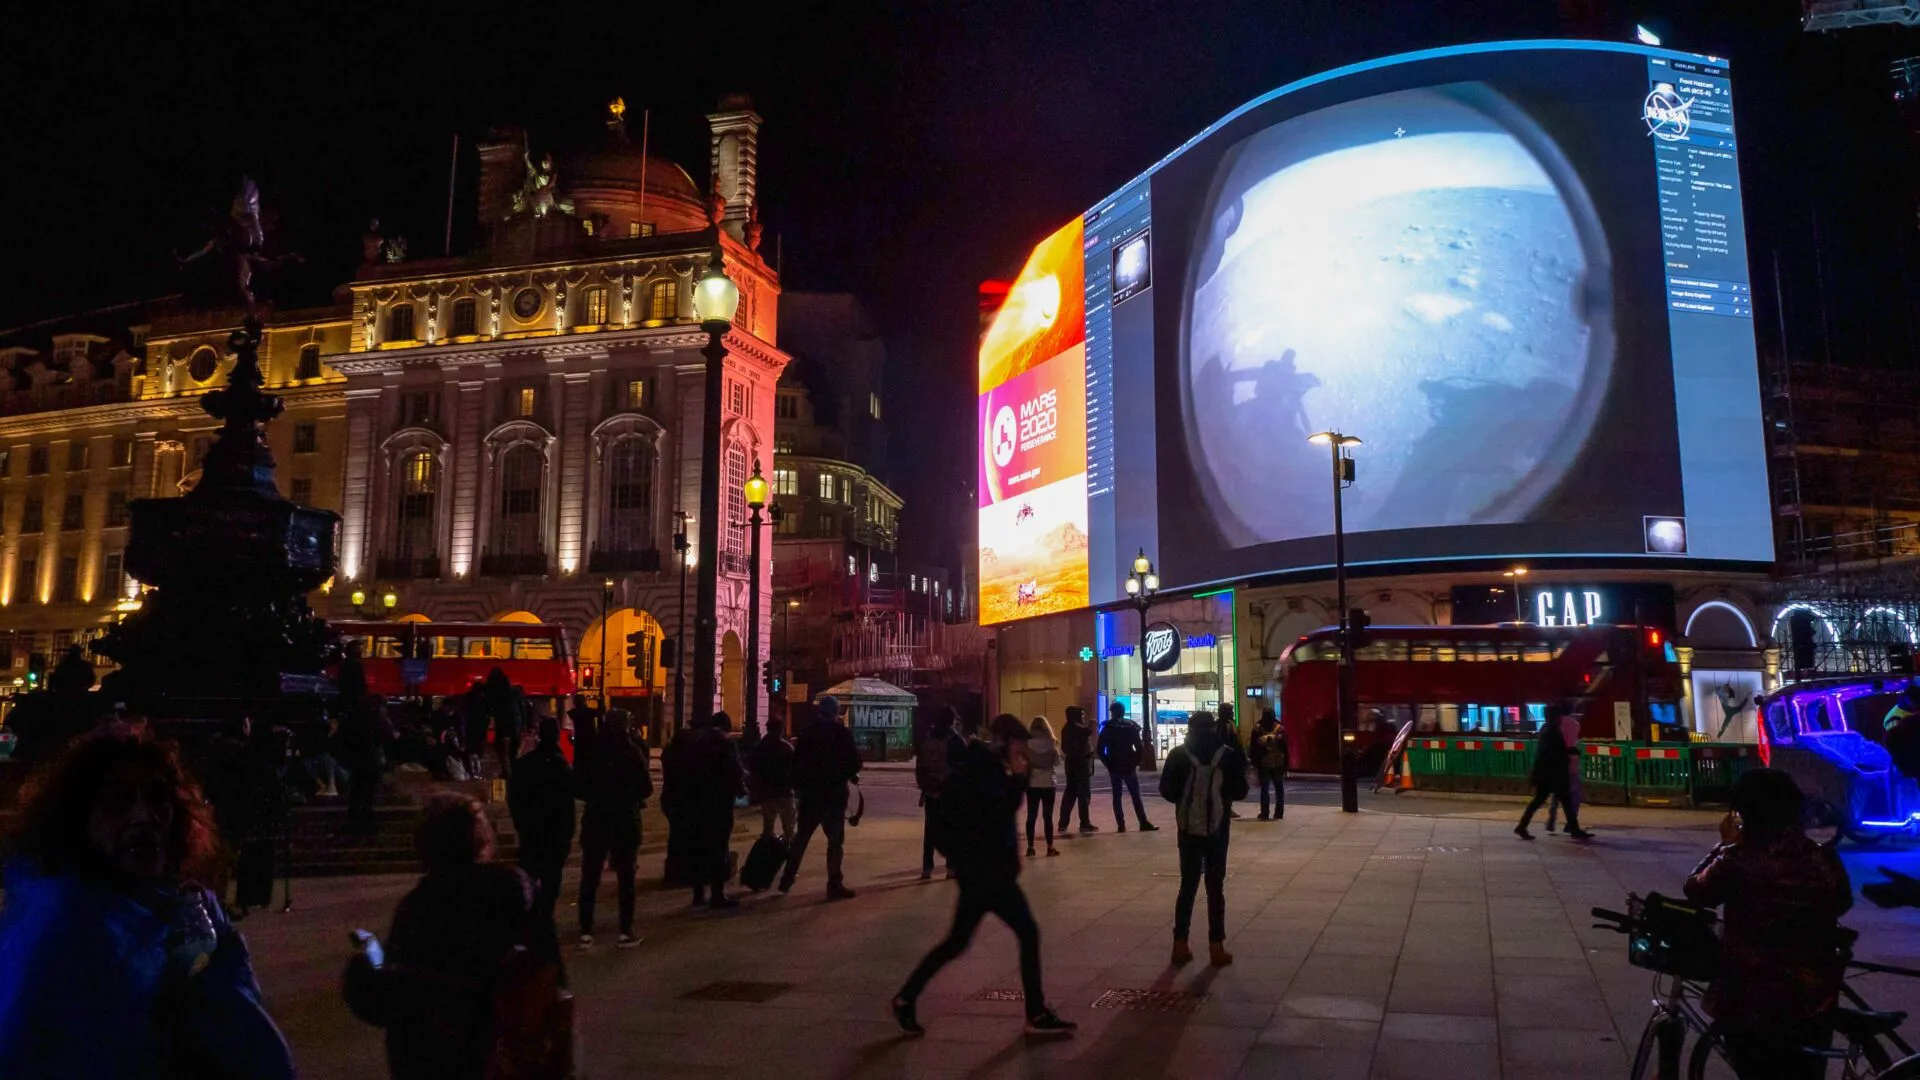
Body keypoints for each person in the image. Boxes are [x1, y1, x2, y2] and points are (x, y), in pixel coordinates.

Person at [0, 730, 295, 1079]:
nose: (144, 815)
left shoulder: (173, 910)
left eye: (158, 798)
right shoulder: (66, 931)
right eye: (117, 800)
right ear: (77, 817)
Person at [344, 793, 555, 1080]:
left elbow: (401, 994)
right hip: (509, 1042)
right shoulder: (512, 887)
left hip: (438, 1052)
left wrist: (368, 975)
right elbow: (546, 965)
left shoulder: (419, 906)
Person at [894, 715, 1077, 1038]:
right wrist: (1019, 780)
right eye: (1018, 749)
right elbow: (997, 812)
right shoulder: (981, 770)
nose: (1020, 756)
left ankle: (906, 997)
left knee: (957, 942)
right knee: (1028, 933)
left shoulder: (985, 766)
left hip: (980, 871)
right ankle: (1035, 1013)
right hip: (987, 872)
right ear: (1004, 743)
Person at [1684, 769, 1853, 1080]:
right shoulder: (1822, 858)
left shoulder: (1737, 859)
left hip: (1751, 1000)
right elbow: (1842, 902)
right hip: (1813, 997)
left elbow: (1695, 890)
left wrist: (1724, 845)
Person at [1159, 711, 1249, 966]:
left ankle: (1180, 944)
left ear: (1190, 729)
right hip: (1218, 829)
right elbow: (1240, 791)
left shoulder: (1178, 755)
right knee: (1215, 887)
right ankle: (1216, 947)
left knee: (1187, 886)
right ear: (1212, 728)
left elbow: (1166, 790)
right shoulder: (1226, 755)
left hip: (1187, 829)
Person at [576, 709, 652, 947]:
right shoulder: (631, 751)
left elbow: (578, 786)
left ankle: (586, 932)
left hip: (597, 817)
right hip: (625, 818)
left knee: (590, 876)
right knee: (626, 877)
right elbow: (646, 788)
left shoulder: (592, 751)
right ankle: (625, 930)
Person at [781, 695, 862, 899]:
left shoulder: (808, 732)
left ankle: (787, 878)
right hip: (833, 795)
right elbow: (854, 762)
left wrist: (800, 786)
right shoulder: (840, 733)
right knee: (835, 842)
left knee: (801, 838)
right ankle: (834, 884)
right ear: (836, 712)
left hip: (810, 795)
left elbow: (796, 763)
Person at [667, 711, 745, 909]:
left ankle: (698, 893)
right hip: (719, 802)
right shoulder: (726, 743)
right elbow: (734, 771)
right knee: (718, 848)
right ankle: (717, 893)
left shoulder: (695, 743)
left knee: (699, 847)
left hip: (696, 801)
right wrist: (741, 790)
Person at [507, 716, 576, 923]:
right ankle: (543, 920)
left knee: (529, 878)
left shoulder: (526, 764)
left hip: (531, 831)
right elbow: (567, 805)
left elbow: (514, 797)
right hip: (554, 834)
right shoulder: (561, 765)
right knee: (550, 883)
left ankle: (526, 920)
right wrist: (567, 834)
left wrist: (520, 823)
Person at [1514, 704, 1590, 840]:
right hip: (1552, 774)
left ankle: (1523, 826)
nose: (1561, 719)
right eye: (1559, 716)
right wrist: (1569, 751)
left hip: (1549, 774)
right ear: (1555, 717)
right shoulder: (1551, 732)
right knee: (1559, 801)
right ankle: (1573, 830)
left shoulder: (1547, 729)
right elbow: (1550, 753)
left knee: (1546, 802)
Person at [916, 707, 968, 879]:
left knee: (930, 830)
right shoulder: (956, 740)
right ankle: (951, 867)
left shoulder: (928, 737)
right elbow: (963, 769)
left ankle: (926, 868)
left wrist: (925, 786)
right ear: (953, 720)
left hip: (931, 791)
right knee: (952, 829)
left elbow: (920, 765)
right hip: (950, 792)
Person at [1096, 702, 1157, 832]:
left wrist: (1108, 764)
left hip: (1114, 763)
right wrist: (1135, 762)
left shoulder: (1108, 727)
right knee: (1135, 795)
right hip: (1128, 763)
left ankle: (1121, 824)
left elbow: (1100, 749)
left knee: (1117, 795)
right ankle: (1143, 822)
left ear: (1112, 712)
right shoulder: (1130, 726)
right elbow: (1139, 748)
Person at [750, 715, 797, 844]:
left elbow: (755, 769)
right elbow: (794, 769)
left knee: (768, 829)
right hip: (784, 792)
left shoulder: (760, 747)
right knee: (789, 828)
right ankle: (788, 853)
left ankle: (767, 853)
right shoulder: (786, 748)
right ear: (781, 729)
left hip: (767, 792)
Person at [1055, 705, 1098, 834]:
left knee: (1071, 793)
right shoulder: (1075, 728)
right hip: (1079, 764)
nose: (1083, 716)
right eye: (1081, 714)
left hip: (1072, 764)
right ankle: (1084, 822)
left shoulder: (1067, 728)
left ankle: (1063, 822)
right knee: (1082, 794)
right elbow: (1087, 731)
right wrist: (1091, 724)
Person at [1025, 716, 1060, 857]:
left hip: (1032, 783)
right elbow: (1057, 762)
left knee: (1031, 816)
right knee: (1048, 816)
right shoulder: (1052, 742)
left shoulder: (1027, 743)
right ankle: (1050, 847)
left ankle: (1030, 847)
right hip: (1048, 783)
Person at [483, 668, 524, 778]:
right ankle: (515, 771)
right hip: (516, 725)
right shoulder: (515, 691)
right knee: (513, 752)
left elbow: (489, 707)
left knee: (501, 748)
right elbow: (522, 709)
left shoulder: (493, 691)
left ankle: (506, 770)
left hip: (503, 725)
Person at [1249, 708, 1288, 820]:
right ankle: (1279, 813)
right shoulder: (1280, 728)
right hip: (1278, 763)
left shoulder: (1257, 729)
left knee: (1264, 789)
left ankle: (1264, 813)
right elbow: (1285, 748)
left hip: (1264, 763)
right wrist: (1286, 763)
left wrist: (1254, 763)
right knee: (1279, 789)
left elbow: (1253, 748)